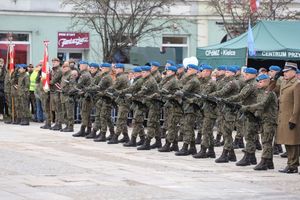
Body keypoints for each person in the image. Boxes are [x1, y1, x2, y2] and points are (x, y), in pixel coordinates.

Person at [241, 74, 278, 170]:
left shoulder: (268, 93)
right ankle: (269, 162)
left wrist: (248, 108)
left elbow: (262, 105)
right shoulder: (261, 92)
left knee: (266, 141)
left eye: (260, 82)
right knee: (266, 140)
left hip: (269, 120)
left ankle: (264, 161)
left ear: (266, 82)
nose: (258, 83)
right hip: (263, 119)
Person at [225, 67, 259, 166]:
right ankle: (252, 158)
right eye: (245, 74)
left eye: (247, 74)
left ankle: (248, 157)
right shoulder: (251, 84)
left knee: (249, 135)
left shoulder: (251, 85)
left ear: (253, 75)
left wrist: (229, 99)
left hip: (250, 112)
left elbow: (241, 96)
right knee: (250, 135)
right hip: (250, 111)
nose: (245, 76)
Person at [210, 66, 240, 163]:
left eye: (228, 72)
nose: (226, 73)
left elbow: (223, 92)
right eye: (226, 71)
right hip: (224, 110)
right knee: (226, 133)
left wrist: (210, 95)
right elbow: (219, 87)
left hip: (229, 111)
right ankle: (231, 155)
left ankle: (225, 155)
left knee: (227, 133)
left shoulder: (232, 83)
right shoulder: (225, 81)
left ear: (233, 73)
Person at [277, 62, 300, 174]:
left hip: (291, 118)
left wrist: (294, 119)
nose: (284, 74)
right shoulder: (284, 83)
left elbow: (297, 104)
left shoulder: (297, 84)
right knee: (287, 142)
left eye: (287, 72)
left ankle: (293, 165)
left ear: (293, 72)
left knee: (293, 143)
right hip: (283, 117)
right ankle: (290, 163)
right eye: (284, 72)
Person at [175, 64, 200, 156]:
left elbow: (183, 90)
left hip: (191, 106)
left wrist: (177, 91)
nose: (188, 71)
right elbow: (180, 84)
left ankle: (185, 148)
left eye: (190, 70)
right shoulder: (189, 78)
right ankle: (192, 147)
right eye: (188, 69)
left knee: (187, 127)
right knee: (189, 127)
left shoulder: (193, 80)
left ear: (195, 71)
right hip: (187, 106)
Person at [193, 64, 217, 159]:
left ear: (207, 72)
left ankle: (203, 150)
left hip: (210, 111)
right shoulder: (202, 82)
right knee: (208, 131)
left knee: (206, 130)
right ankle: (211, 151)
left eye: (202, 71)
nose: (200, 73)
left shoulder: (210, 83)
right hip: (205, 110)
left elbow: (203, 94)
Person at [136, 65, 161, 150]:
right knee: (156, 124)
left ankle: (147, 143)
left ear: (148, 72)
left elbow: (142, 92)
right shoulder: (146, 79)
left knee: (151, 123)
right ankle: (158, 142)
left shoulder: (150, 80)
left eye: (143, 72)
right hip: (151, 104)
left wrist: (133, 95)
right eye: (142, 72)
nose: (142, 74)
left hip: (154, 104)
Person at [158, 65, 181, 152]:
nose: (167, 72)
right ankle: (175, 145)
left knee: (171, 126)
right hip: (171, 105)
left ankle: (167, 144)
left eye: (168, 71)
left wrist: (163, 79)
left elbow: (162, 89)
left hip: (174, 106)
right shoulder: (170, 80)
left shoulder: (172, 81)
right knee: (172, 126)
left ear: (173, 72)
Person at [123, 66, 146, 147]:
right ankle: (143, 139)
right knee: (138, 122)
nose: (134, 74)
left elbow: (132, 88)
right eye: (134, 73)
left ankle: (133, 140)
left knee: (136, 122)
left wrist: (122, 91)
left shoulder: (139, 80)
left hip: (140, 104)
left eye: (135, 73)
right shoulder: (137, 80)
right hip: (136, 103)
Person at [107, 63, 130, 144]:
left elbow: (113, 87)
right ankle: (126, 136)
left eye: (117, 68)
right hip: (122, 101)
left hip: (124, 101)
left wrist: (105, 90)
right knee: (122, 119)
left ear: (121, 69)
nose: (115, 70)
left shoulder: (121, 77)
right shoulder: (122, 77)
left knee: (120, 119)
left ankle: (115, 137)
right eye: (115, 68)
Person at [72, 61, 92, 137]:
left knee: (84, 114)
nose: (79, 67)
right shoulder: (85, 74)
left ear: (84, 66)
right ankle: (89, 130)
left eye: (80, 65)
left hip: (85, 97)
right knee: (87, 114)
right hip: (86, 96)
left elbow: (78, 86)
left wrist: (73, 81)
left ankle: (82, 130)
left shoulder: (84, 75)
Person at [60, 61, 75, 132]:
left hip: (68, 96)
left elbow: (72, 86)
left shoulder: (71, 75)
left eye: (66, 67)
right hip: (63, 96)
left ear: (69, 68)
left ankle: (70, 126)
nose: (64, 68)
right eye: (63, 67)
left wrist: (67, 91)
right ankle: (66, 125)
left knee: (69, 112)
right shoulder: (63, 75)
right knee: (65, 112)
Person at [49, 58, 63, 130]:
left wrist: (47, 82)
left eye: (55, 62)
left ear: (58, 62)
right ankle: (56, 123)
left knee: (58, 108)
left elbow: (54, 80)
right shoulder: (53, 70)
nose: (53, 63)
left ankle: (59, 124)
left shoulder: (59, 70)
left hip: (57, 91)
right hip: (53, 91)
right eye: (53, 62)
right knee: (55, 108)